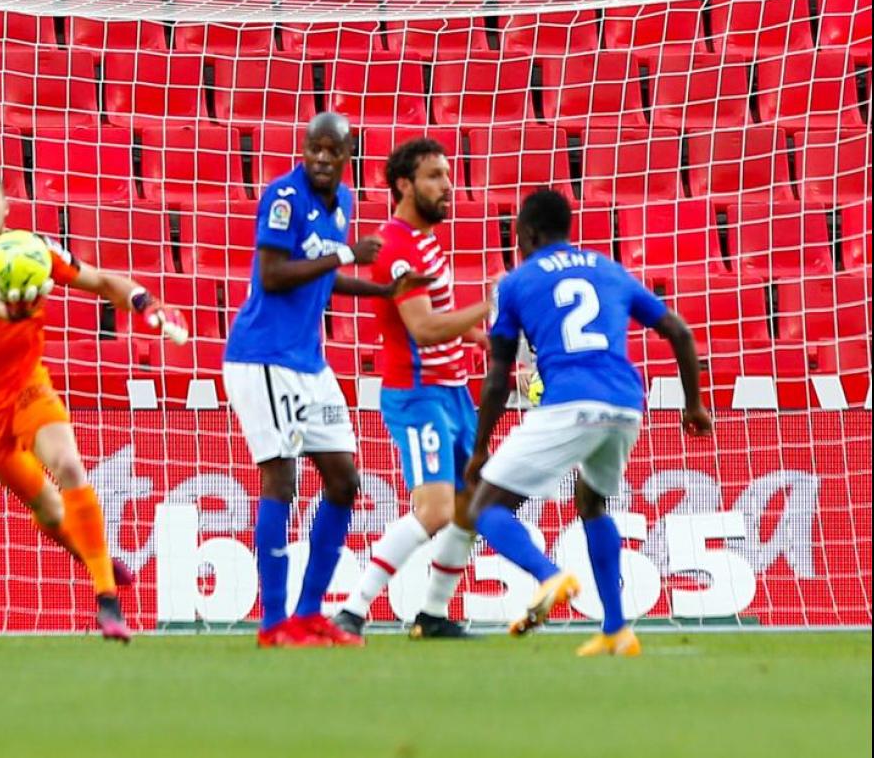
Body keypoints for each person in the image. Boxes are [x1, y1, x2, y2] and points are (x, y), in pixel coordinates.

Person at [0, 166, 188, 643]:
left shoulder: (38, 251)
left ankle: (107, 601)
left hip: (27, 383)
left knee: (70, 465)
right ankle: (91, 552)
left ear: (7, 205)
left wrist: (147, 304)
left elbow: (102, 280)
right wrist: (15, 302)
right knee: (50, 510)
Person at [462, 188, 712, 656]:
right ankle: (616, 628)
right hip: (626, 403)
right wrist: (694, 404)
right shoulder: (610, 270)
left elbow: (498, 378)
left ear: (528, 234)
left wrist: (480, 449)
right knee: (592, 502)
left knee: (482, 508)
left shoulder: (515, 283)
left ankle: (548, 577)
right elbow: (678, 330)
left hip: (569, 403)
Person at [223, 112, 428, 648]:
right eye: (312, 147)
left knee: (344, 479)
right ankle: (273, 624)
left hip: (309, 364)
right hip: (263, 356)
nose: (318, 157)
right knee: (282, 481)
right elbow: (271, 274)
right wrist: (345, 253)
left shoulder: (343, 208)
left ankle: (311, 614)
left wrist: (380, 291)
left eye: (330, 150)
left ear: (346, 157)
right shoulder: (283, 197)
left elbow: (325, 276)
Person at [331, 138, 489, 640]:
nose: (448, 186)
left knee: (471, 505)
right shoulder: (396, 247)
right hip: (419, 395)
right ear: (404, 185)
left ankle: (433, 614)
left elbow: (435, 317)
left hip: (454, 391)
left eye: (447, 175)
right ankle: (352, 610)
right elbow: (421, 329)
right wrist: (488, 305)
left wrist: (476, 335)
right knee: (437, 509)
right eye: (435, 177)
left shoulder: (425, 240)